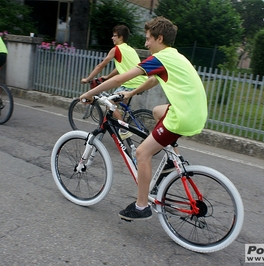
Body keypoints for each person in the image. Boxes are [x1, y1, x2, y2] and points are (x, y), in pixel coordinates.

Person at [80, 17, 208, 221]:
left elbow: (120, 78)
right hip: (195, 113)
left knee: (142, 152)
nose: (146, 43)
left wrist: (89, 93)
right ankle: (172, 158)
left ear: (160, 38)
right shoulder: (174, 56)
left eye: (148, 39)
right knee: (158, 111)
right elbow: (152, 80)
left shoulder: (161, 58)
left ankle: (141, 206)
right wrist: (130, 94)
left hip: (182, 116)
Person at [80, 25, 147, 139]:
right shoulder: (130, 49)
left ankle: (123, 128)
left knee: (109, 103)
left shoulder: (116, 49)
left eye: (114, 35)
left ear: (120, 37)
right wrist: (108, 76)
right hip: (142, 81)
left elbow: (101, 65)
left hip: (131, 83)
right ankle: (125, 120)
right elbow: (121, 67)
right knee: (121, 104)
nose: (112, 38)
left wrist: (87, 79)